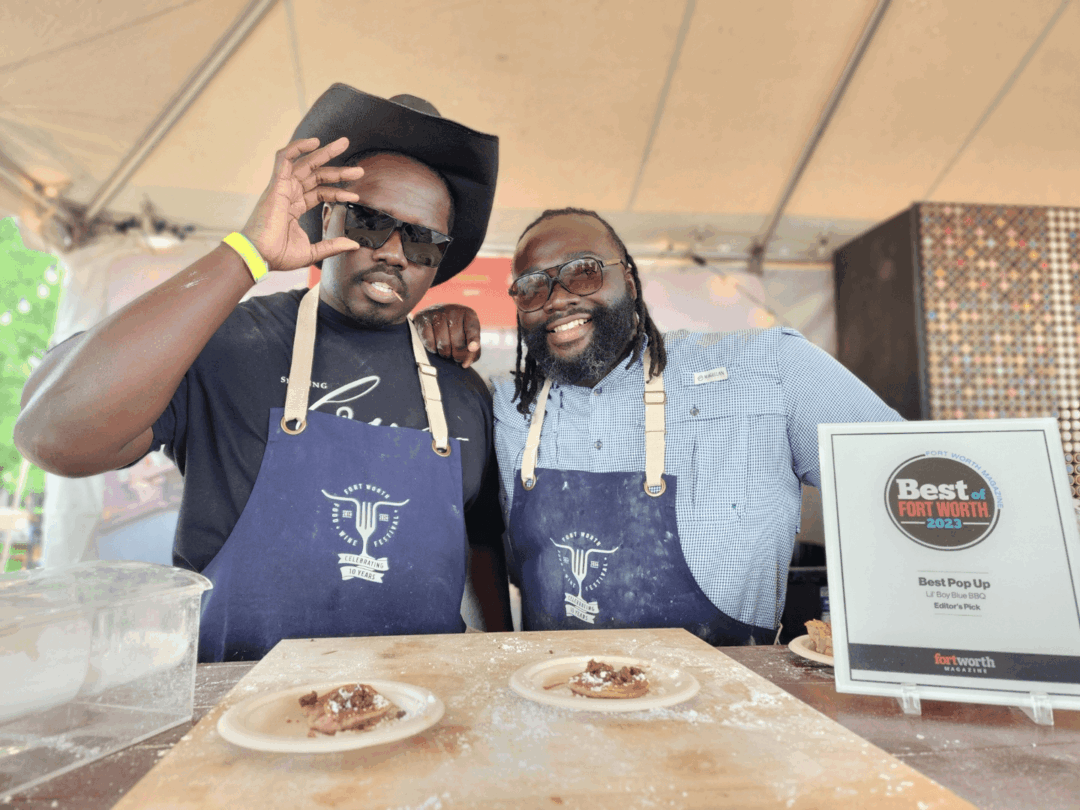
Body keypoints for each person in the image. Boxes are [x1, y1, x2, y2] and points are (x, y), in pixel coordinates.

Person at [15, 84, 511, 661]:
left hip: (420, 716)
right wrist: (246, 253)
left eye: (424, 240)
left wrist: (493, 671)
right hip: (240, 721)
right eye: (372, 223)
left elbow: (480, 546)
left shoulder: (461, 389)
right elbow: (52, 435)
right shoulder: (225, 345)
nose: (395, 252)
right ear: (328, 217)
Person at [480, 207, 903, 645]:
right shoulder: (507, 407)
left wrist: (878, 655)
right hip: (555, 696)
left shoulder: (769, 369)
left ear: (628, 279)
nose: (556, 298)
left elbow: (908, 492)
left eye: (583, 272)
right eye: (531, 287)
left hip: (731, 701)